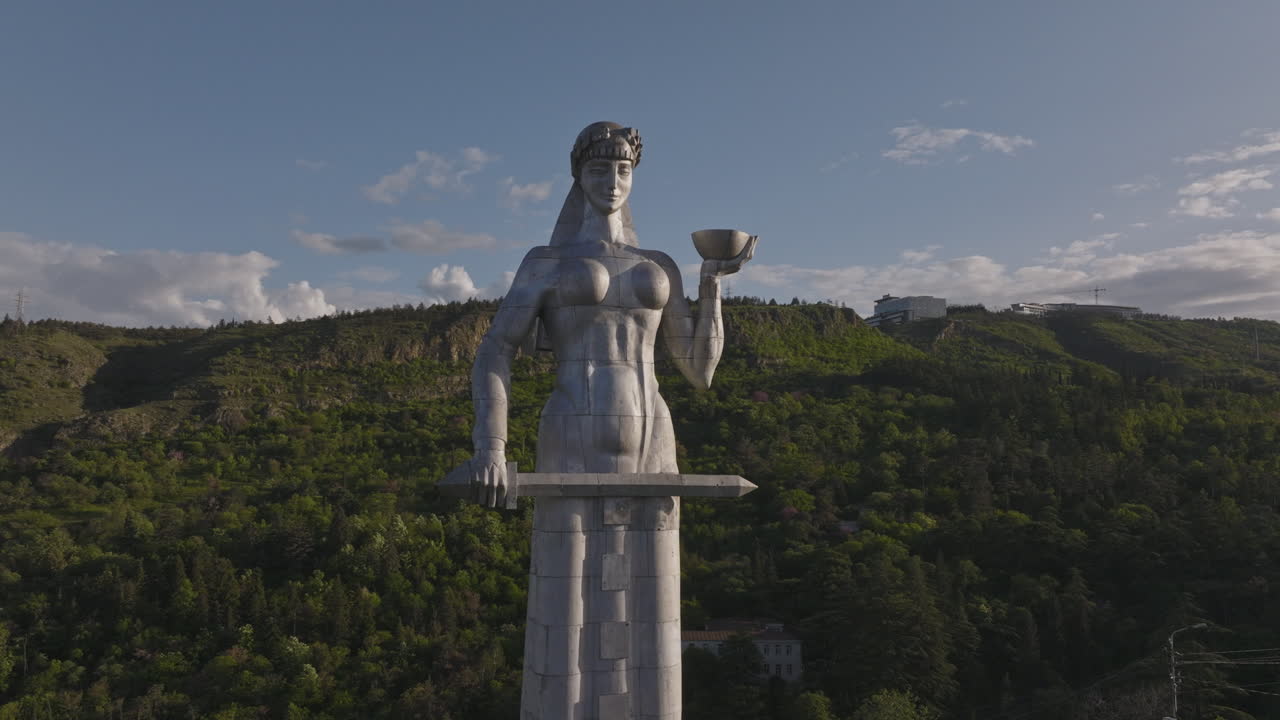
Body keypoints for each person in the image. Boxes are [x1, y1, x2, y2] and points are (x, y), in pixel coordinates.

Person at [459, 121, 755, 718]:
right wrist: (492, 446)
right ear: (578, 175)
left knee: (653, 626)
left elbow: (699, 369)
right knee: (565, 627)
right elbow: (496, 350)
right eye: (600, 169)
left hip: (652, 438)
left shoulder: (660, 262)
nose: (613, 181)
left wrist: (710, 283)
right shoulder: (546, 261)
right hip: (571, 433)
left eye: (623, 170)